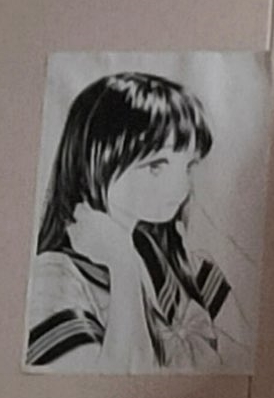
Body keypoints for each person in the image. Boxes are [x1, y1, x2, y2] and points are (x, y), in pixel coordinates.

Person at [26, 71, 250, 372]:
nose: (180, 186)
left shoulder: (194, 270)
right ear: (96, 158)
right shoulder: (54, 279)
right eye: (156, 166)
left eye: (188, 165)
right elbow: (105, 385)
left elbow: (256, 363)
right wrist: (123, 267)